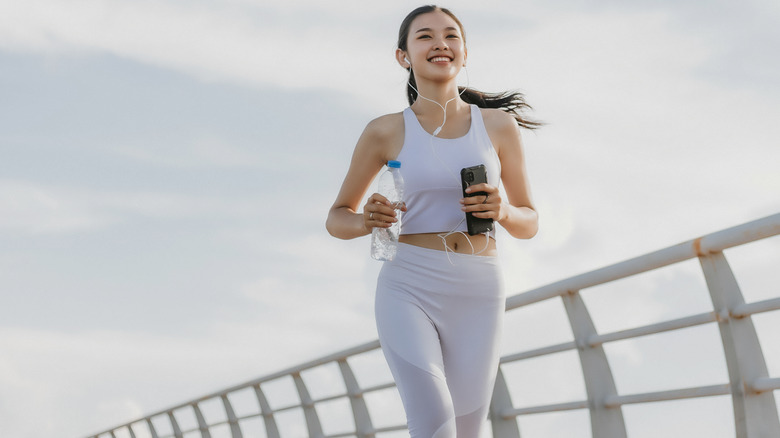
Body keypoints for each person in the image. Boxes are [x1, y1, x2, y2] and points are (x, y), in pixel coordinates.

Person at [326, 5, 539, 437]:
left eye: (450, 35)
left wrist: (502, 211)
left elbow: (529, 220)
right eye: (424, 36)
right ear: (403, 55)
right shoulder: (384, 131)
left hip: (479, 285)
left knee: (467, 430)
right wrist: (366, 218)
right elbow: (337, 218)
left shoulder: (497, 126)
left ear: (464, 52)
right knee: (433, 420)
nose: (440, 43)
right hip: (408, 283)